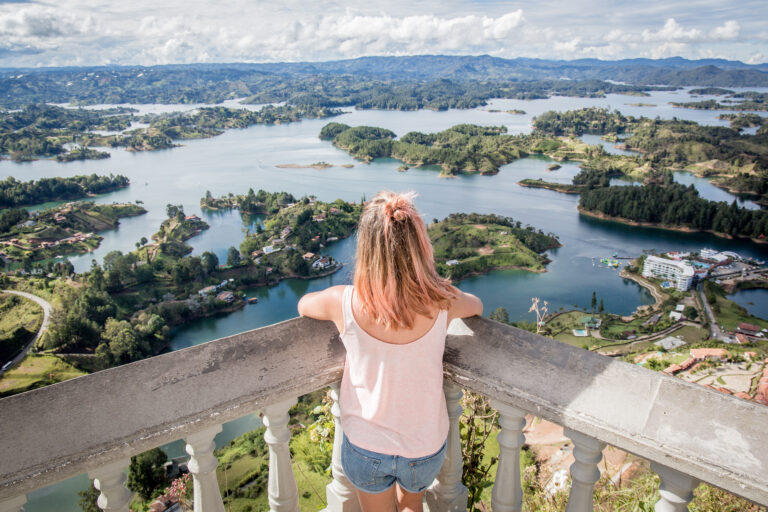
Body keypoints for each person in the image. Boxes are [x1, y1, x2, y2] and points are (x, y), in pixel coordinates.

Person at [297, 190, 483, 512]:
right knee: (413, 505)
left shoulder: (344, 302)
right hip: (423, 445)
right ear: (419, 245)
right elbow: (477, 306)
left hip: (365, 444)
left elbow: (303, 305)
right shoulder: (443, 301)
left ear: (366, 249)